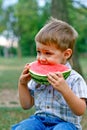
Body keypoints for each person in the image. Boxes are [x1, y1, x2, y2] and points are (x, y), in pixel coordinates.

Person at [11, 17, 87, 130]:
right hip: (39, 120)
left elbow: (80, 110)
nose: (41, 58)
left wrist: (65, 90)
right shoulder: (37, 77)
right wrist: (22, 84)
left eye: (48, 53)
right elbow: (26, 105)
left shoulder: (75, 79)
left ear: (66, 54)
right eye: (38, 52)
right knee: (24, 127)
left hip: (66, 123)